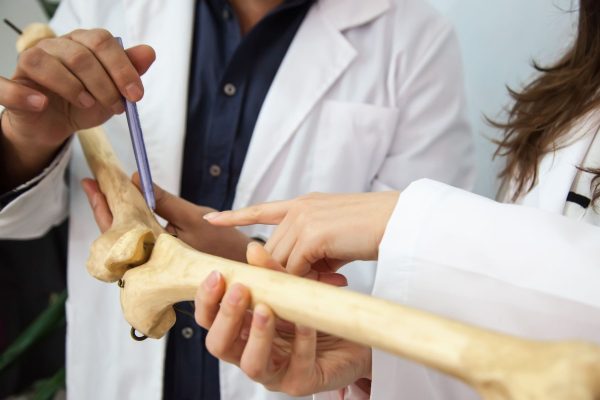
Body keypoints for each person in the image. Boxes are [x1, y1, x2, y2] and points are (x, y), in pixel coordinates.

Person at [0, 0, 474, 399]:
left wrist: (252, 265)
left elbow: (425, 270)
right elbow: (28, 218)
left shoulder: (414, 40)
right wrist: (27, 142)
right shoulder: (104, 5)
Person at [180, 0, 600, 397]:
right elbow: (523, 348)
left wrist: (409, 221)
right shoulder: (568, 108)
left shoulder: (416, 35)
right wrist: (374, 359)